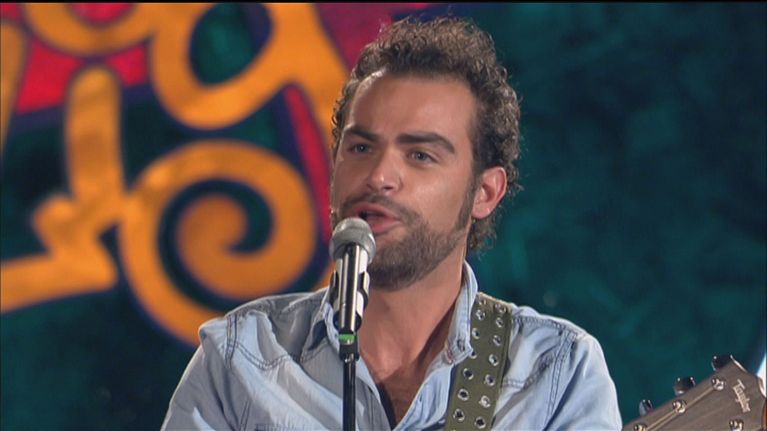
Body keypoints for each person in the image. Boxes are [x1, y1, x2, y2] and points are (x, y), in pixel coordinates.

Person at [162, 16, 622, 430]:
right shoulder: (239, 360)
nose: (379, 175)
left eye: (420, 155)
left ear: (484, 193)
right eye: (361, 148)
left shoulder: (556, 373)